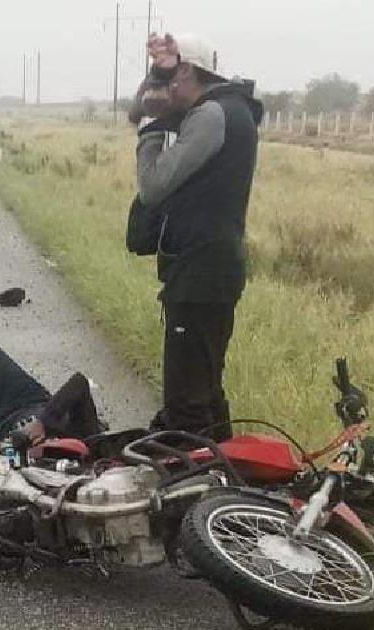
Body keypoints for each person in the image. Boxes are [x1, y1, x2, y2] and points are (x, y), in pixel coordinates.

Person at [128, 34, 264, 441]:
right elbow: (136, 109)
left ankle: (193, 489)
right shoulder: (231, 108)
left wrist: (152, 131)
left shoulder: (210, 116)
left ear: (188, 71)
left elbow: (152, 187)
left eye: (171, 80)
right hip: (213, 269)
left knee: (186, 403)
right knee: (206, 391)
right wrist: (158, 73)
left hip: (200, 272)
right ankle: (227, 479)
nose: (163, 93)